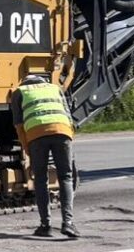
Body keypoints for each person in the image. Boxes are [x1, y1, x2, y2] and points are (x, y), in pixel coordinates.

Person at [11, 74, 79, 238]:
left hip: (36, 135)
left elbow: (19, 126)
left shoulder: (19, 92)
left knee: (41, 179)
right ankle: (68, 223)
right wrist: (69, 139)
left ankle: (45, 225)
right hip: (62, 131)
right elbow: (68, 116)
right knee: (66, 177)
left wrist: (27, 149)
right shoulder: (55, 88)